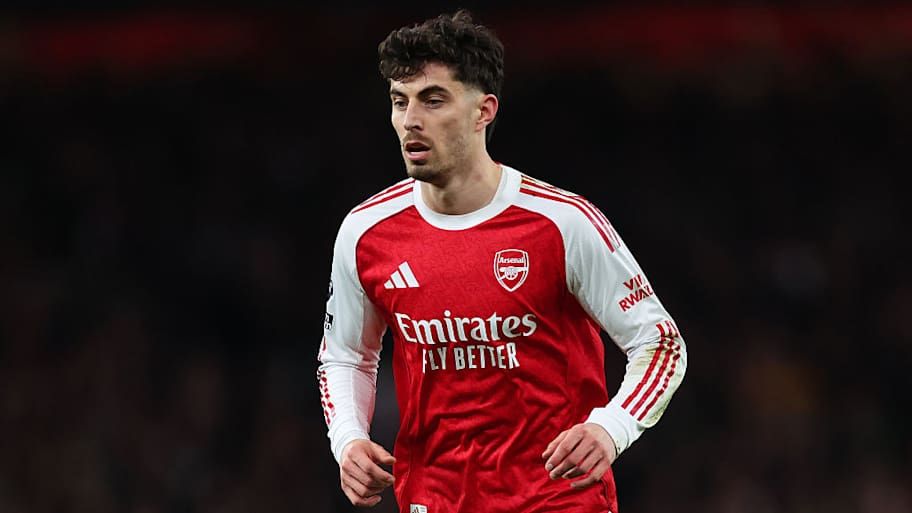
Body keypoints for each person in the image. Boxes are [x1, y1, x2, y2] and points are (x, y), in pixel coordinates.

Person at [317, 10, 686, 513]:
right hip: (434, 498)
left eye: (433, 100)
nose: (411, 120)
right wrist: (348, 438)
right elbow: (345, 355)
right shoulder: (366, 232)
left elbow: (660, 343)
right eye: (400, 102)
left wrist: (611, 427)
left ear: (483, 111)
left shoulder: (562, 224)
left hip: (557, 500)